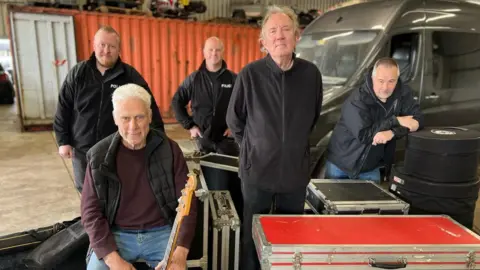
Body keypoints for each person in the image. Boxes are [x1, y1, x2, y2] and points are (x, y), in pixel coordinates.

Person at [226, 6, 323, 270]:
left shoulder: (311, 75)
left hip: (294, 173)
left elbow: (313, 116)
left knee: (290, 233)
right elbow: (234, 120)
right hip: (257, 171)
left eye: (285, 29)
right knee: (252, 233)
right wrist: (254, 147)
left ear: (297, 35)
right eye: (272, 31)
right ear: (263, 42)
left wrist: (293, 146)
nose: (279, 36)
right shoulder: (250, 75)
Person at [81, 83, 197, 270]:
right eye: (125, 118)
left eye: (139, 117)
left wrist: (180, 252)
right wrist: (113, 260)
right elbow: (90, 212)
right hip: (117, 234)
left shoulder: (170, 150)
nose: (133, 126)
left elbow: (188, 204)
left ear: (150, 116)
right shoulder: (98, 156)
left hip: (162, 232)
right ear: (115, 119)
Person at [53, 26, 164, 193]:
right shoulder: (78, 73)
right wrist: (63, 141)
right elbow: (63, 108)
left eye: (112, 46)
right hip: (83, 149)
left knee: (117, 192)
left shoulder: (130, 76)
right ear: (94, 45)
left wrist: (158, 143)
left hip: (117, 149)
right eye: (102, 45)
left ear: (119, 49)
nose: (106, 50)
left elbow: (149, 108)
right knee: (87, 193)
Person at [325, 57, 424, 182]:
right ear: (373, 78)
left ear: (397, 79)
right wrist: (396, 121)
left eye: (391, 81)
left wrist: (392, 133)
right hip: (341, 165)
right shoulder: (358, 99)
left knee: (371, 200)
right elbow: (364, 135)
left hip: (371, 167)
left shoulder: (403, 94)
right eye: (381, 81)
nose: (385, 87)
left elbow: (418, 120)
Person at [171, 36, 238, 156]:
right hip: (202, 140)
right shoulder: (194, 79)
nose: (214, 53)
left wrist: (234, 127)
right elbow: (177, 101)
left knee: (229, 173)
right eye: (210, 49)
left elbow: (244, 105)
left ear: (223, 52)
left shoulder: (233, 79)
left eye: (218, 50)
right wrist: (190, 126)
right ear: (204, 52)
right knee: (203, 173)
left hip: (226, 140)